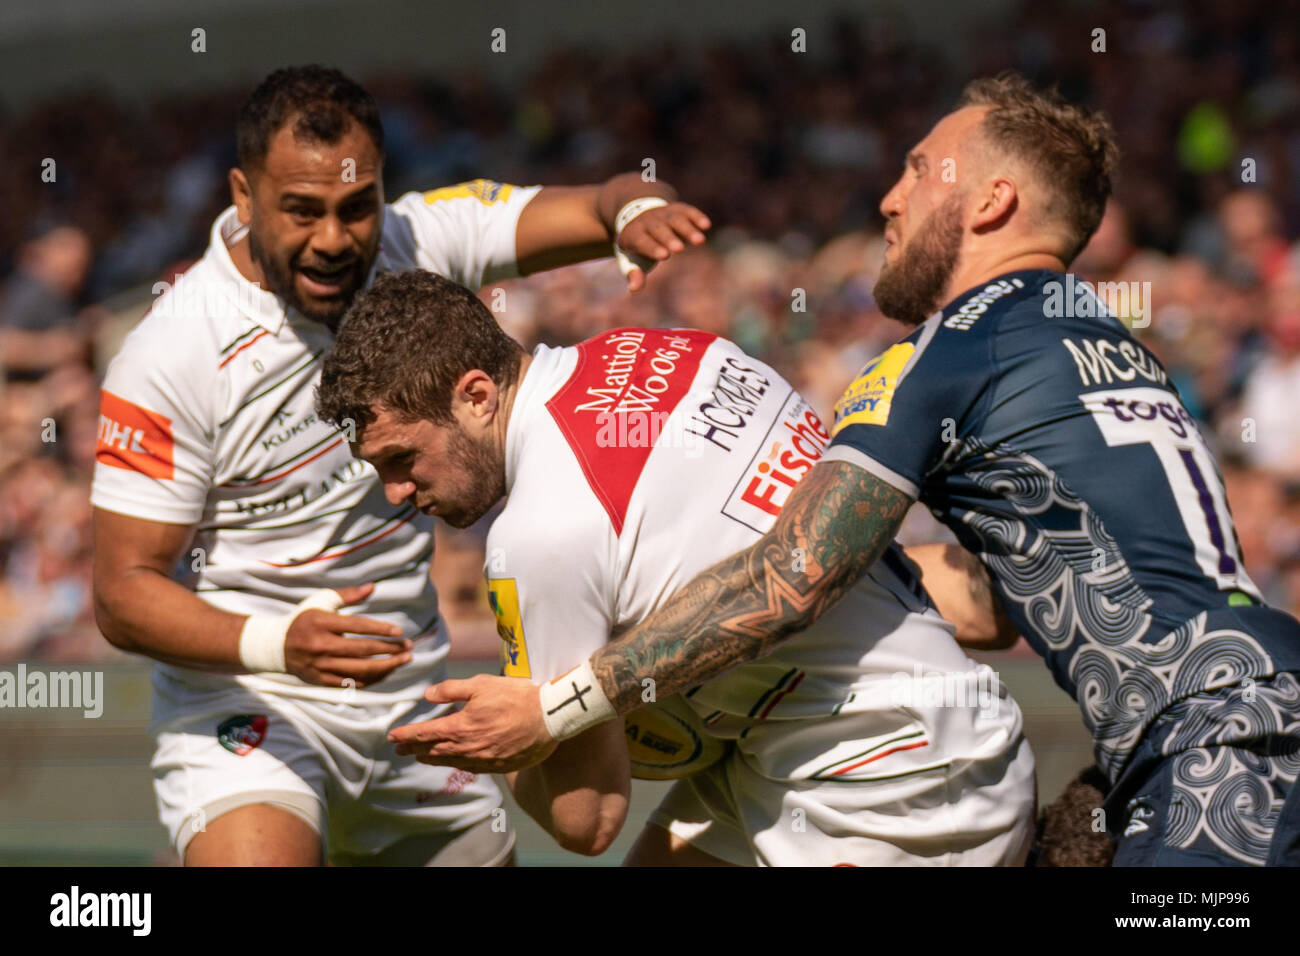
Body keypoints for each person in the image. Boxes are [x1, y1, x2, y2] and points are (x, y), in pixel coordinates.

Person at [400, 73, 1300, 867]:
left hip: (1213, 751)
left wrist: (556, 709)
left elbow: (789, 577)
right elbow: (1001, 597)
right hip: (1245, 711)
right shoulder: (1106, 342)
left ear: (989, 203)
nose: (888, 200)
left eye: (917, 169)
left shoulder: (946, 354)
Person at [90, 64, 711, 866]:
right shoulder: (171, 353)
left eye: (357, 208)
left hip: (411, 704)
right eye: (302, 211)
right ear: (243, 198)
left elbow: (602, 202)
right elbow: (122, 593)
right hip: (251, 704)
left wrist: (634, 208)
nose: (335, 239)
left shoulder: (419, 240)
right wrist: (281, 642)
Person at [317, 269, 1036, 866]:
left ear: (475, 395)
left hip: (891, 795)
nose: (398, 495)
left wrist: (501, 748)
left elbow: (588, 819)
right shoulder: (670, 349)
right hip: (907, 733)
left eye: (401, 459)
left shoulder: (537, 539)